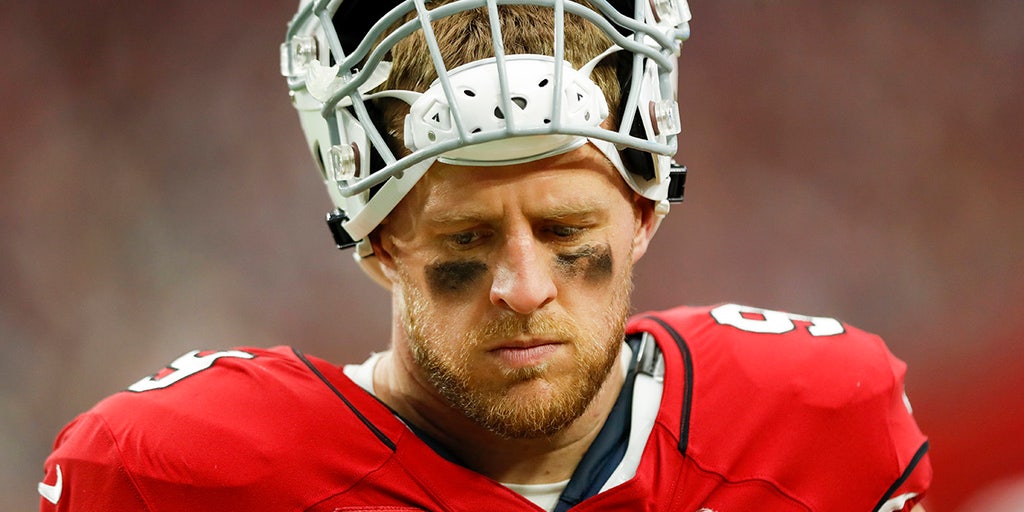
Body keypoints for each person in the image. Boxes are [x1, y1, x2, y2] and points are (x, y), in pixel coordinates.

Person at [38, 0, 932, 510]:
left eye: (568, 233)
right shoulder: (175, 476)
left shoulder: (820, 422)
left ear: (646, 215)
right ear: (378, 241)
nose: (524, 288)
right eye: (464, 240)